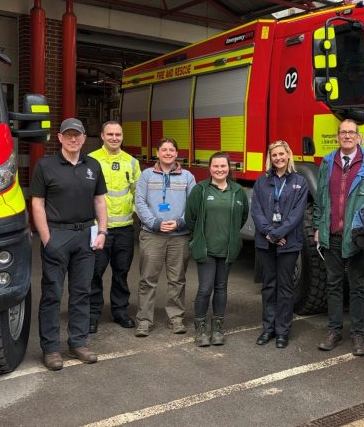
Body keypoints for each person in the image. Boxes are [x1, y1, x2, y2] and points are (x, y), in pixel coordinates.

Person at [30, 118, 107, 371]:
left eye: (78, 135)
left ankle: (78, 342)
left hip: (85, 234)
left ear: (84, 138)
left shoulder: (93, 165)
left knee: (82, 292)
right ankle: (51, 349)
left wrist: (102, 231)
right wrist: (46, 238)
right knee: (52, 293)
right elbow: (37, 203)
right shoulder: (45, 165)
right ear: (60, 138)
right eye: (68, 135)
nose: (73, 139)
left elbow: (99, 201)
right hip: (57, 235)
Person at [313, 119, 364, 356]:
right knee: (333, 284)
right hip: (331, 233)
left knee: (357, 286)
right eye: (343, 132)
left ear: (358, 136)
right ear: (337, 137)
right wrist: (317, 226)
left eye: (351, 132)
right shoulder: (327, 163)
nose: (346, 136)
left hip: (357, 237)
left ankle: (357, 334)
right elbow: (321, 199)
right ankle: (334, 331)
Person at [185, 152, 249, 347]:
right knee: (205, 288)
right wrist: (198, 239)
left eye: (223, 166)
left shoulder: (238, 191)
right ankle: (201, 328)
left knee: (221, 288)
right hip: (206, 249)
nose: (220, 169)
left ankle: (218, 328)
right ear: (210, 168)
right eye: (216, 166)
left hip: (227, 249)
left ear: (229, 168)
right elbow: (190, 218)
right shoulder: (200, 190)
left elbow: (242, 216)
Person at [134, 137, 195, 337]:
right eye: (164, 150)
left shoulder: (187, 177)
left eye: (172, 150)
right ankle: (144, 320)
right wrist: (156, 223)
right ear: (158, 153)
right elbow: (140, 203)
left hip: (180, 236)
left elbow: (193, 205)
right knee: (147, 279)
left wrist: (179, 222)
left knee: (177, 279)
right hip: (152, 235)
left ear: (177, 154)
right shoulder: (146, 175)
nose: (168, 153)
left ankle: (176, 319)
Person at [251, 141, 308, 349]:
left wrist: (279, 233)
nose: (278, 158)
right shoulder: (261, 182)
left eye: (281, 154)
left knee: (285, 287)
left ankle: (283, 330)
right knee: (268, 286)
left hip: (289, 242)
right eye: (274, 155)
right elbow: (256, 210)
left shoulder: (300, 182)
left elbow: (296, 214)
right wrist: (269, 233)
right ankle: (268, 328)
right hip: (266, 242)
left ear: (288, 155)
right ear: (270, 158)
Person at [88, 121, 141, 333]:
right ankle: (92, 315)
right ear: (102, 136)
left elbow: (138, 192)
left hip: (125, 228)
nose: (114, 138)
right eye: (109, 134)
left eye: (117, 134)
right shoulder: (91, 160)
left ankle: (120, 311)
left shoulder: (131, 162)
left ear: (122, 136)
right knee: (94, 273)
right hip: (98, 229)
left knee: (121, 272)